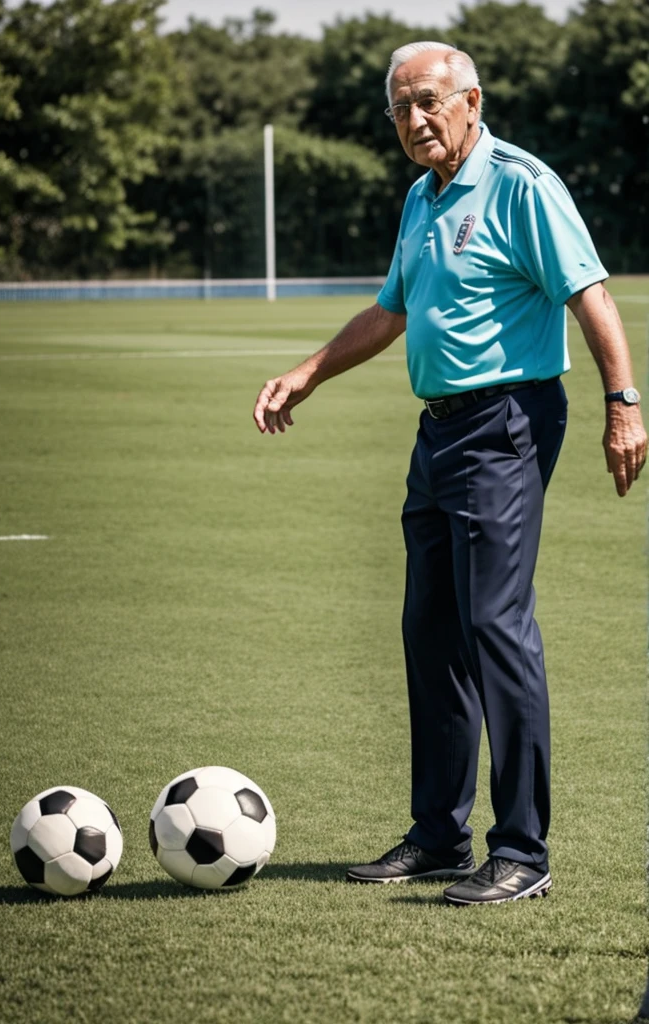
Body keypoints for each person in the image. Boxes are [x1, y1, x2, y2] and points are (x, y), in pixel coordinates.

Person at [252, 41, 647, 905]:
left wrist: (625, 402)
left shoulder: (521, 184)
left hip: (507, 423)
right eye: (399, 108)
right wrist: (308, 371)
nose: (415, 120)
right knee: (430, 633)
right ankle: (438, 834)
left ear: (471, 99)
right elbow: (391, 310)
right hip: (438, 436)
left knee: (495, 629)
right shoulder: (421, 198)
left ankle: (522, 854)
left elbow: (593, 296)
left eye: (428, 101)